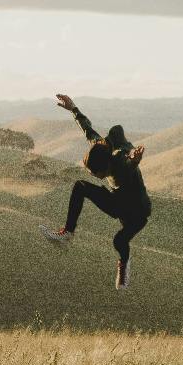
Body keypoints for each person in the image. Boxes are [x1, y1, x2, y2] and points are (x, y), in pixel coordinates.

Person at [41, 94, 150, 289]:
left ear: (108, 165)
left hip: (137, 212)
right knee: (80, 186)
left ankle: (124, 264)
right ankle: (67, 233)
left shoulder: (120, 163)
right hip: (118, 202)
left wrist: (134, 158)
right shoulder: (101, 147)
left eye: (98, 174)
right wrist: (73, 109)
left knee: (119, 241)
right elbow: (87, 129)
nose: (97, 177)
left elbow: (129, 160)